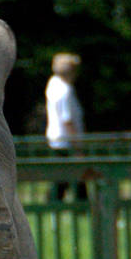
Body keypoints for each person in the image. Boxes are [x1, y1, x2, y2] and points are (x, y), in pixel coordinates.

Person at [45, 51, 86, 201]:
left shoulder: (53, 83)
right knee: (74, 175)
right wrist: (78, 145)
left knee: (61, 177)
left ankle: (55, 204)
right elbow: (67, 119)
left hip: (56, 139)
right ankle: (81, 205)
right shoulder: (65, 90)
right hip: (66, 141)